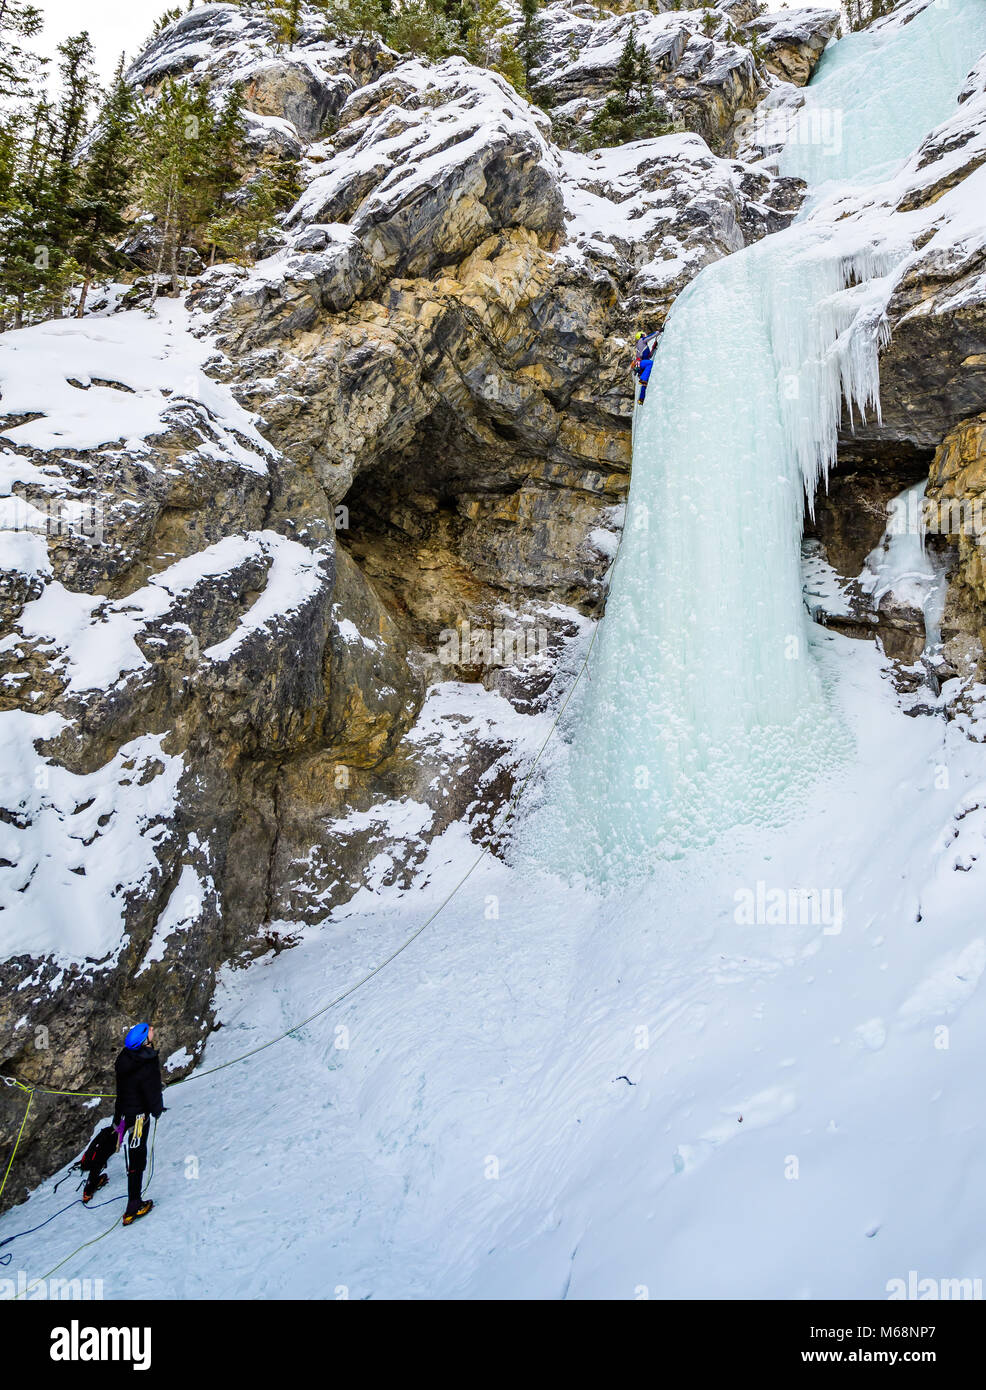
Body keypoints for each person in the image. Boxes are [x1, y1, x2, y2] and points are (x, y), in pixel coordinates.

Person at [82, 1022, 164, 1225]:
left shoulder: (124, 1058)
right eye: (149, 1030)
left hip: (122, 1113)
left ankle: (91, 1184)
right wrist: (156, 1110)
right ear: (144, 1040)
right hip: (138, 1117)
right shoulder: (148, 1062)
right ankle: (133, 1206)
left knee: (111, 1142)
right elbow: (151, 1090)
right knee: (136, 1156)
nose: (152, 1029)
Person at [633, 330, 656, 405]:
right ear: (641, 335)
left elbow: (649, 355)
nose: (645, 335)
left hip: (641, 365)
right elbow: (650, 337)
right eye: (643, 334)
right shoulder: (641, 341)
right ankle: (643, 379)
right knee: (650, 363)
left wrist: (653, 348)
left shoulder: (643, 346)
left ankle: (641, 399)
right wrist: (658, 331)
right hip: (640, 364)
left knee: (645, 383)